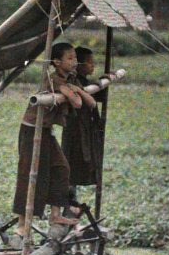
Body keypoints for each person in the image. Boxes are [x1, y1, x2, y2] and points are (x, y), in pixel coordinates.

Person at [12, 42, 95, 238]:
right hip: (32, 130)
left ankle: (56, 215)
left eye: (76, 58)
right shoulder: (54, 80)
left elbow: (89, 103)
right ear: (57, 62)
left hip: (46, 130)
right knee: (31, 175)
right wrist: (73, 90)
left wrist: (76, 88)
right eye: (70, 58)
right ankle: (22, 224)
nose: (75, 62)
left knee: (61, 168)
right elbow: (77, 102)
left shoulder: (70, 78)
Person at [61, 47, 104, 205]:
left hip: (84, 130)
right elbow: (89, 101)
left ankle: (71, 205)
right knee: (71, 167)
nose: (93, 66)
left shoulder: (82, 81)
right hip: (75, 131)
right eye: (90, 63)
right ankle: (69, 204)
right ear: (78, 65)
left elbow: (96, 94)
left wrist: (101, 82)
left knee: (77, 168)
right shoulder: (72, 81)